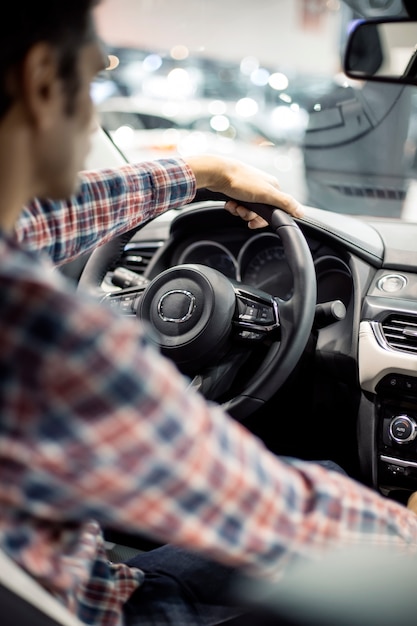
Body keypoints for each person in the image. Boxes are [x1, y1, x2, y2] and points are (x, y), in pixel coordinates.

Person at [2, 2, 417, 625]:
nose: (95, 106)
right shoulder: (46, 331)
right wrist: (407, 529)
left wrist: (195, 174)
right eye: (91, 78)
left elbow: (38, 221)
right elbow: (263, 508)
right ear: (40, 81)